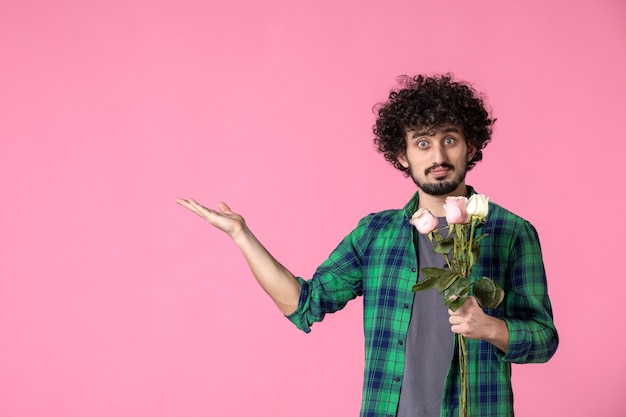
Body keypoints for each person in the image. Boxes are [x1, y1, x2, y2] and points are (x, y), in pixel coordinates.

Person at [176, 74, 558, 417]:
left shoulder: (511, 231)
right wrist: (242, 235)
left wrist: (491, 328)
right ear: (401, 156)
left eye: (450, 140)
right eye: (422, 143)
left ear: (470, 147)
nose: (438, 156)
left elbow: (544, 339)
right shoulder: (376, 234)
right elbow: (302, 304)